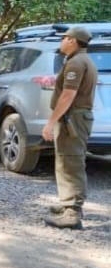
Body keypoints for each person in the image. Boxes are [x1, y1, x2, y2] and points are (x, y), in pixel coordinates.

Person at [42, 27, 96, 230]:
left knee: (70, 161)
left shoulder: (75, 62)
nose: (62, 41)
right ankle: (68, 204)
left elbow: (68, 96)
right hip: (75, 117)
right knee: (67, 158)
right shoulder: (81, 60)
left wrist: (50, 122)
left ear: (73, 41)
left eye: (64, 38)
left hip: (72, 118)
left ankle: (72, 212)